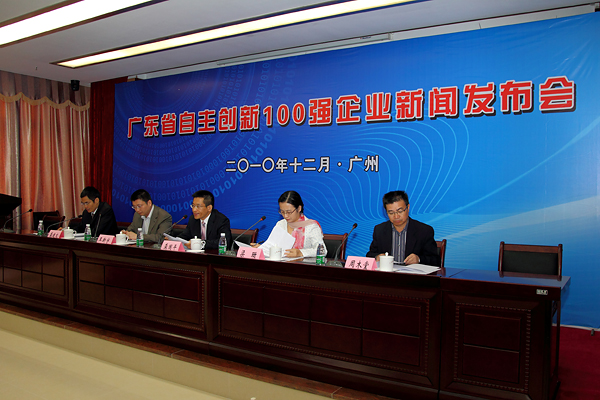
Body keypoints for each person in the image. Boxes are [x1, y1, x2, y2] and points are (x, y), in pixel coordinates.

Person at [367, 190, 440, 266]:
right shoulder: (379, 230)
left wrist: (419, 259)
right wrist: (377, 257)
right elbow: (370, 255)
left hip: (412, 273)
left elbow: (436, 260)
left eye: (400, 211)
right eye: (391, 212)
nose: (396, 216)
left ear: (408, 207)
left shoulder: (424, 231)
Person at [253, 190, 326, 258]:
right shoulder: (280, 224)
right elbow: (274, 245)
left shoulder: (311, 226)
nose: (285, 216)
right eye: (282, 212)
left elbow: (323, 251)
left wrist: (301, 253)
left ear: (299, 208)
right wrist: (263, 248)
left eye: (289, 212)